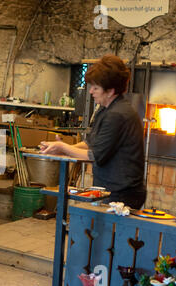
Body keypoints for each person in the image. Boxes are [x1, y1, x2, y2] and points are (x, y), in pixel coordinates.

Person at [39, 54, 146, 209]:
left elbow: (94, 156)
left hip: (122, 193)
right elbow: (91, 143)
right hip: (110, 188)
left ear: (110, 91)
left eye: (96, 88)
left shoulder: (117, 115)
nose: (91, 92)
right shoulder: (106, 109)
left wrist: (63, 148)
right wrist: (57, 147)